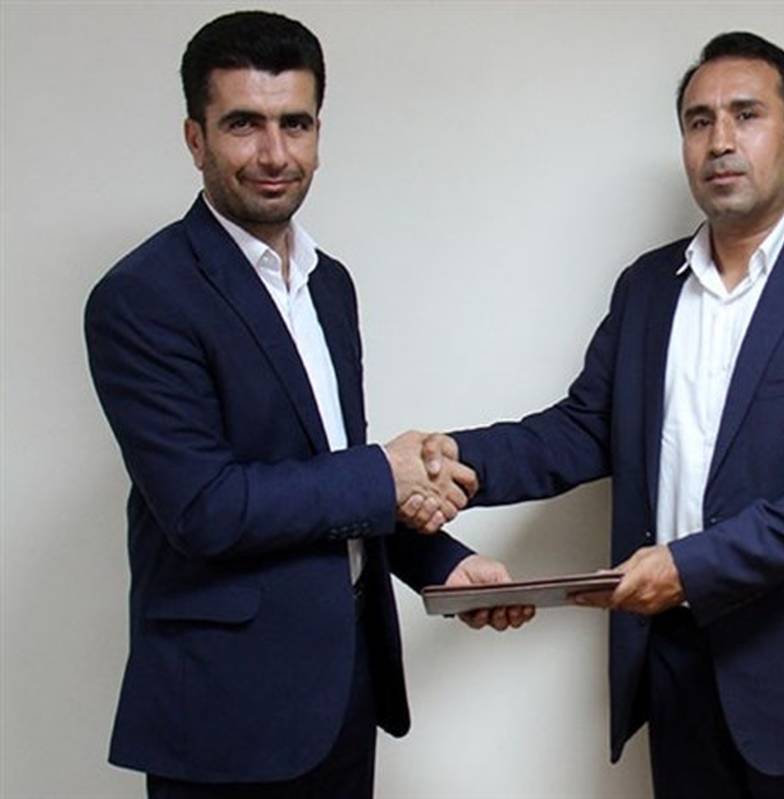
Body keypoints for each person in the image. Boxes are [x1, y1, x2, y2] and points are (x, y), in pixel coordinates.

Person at [425, 31, 784, 799]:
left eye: (746, 115)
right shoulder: (648, 287)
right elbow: (584, 429)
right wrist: (455, 460)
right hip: (678, 672)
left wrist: (689, 566)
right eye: (698, 121)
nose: (720, 140)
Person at [83, 11, 529, 798]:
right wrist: (385, 471)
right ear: (194, 138)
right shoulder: (141, 297)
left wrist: (446, 565)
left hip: (345, 692)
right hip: (224, 714)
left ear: (319, 131)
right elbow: (206, 507)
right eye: (243, 125)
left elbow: (330, 478)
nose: (275, 153)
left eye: (295, 123)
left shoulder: (330, 285)